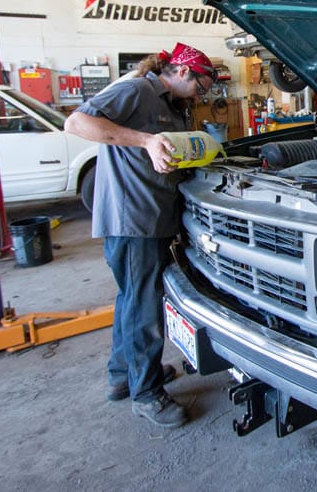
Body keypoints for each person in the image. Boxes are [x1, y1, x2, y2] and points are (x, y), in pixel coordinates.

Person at [66, 42, 216, 428]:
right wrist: (145, 140)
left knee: (132, 300)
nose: (205, 92)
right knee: (144, 306)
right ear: (183, 71)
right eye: (203, 83)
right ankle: (146, 394)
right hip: (134, 219)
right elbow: (77, 123)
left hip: (153, 216)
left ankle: (122, 376)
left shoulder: (171, 106)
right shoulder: (137, 90)